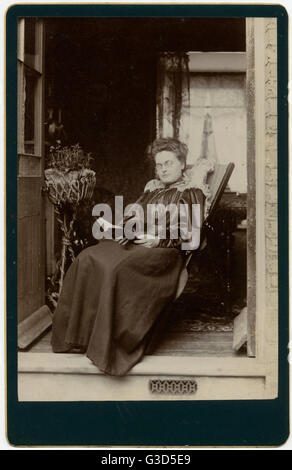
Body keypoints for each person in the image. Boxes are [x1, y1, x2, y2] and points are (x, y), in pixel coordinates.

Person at [51, 138, 207, 376]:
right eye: (159, 165)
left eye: (168, 163)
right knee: (88, 256)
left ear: (182, 163)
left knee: (116, 268)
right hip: (137, 243)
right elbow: (133, 215)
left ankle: (111, 344)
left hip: (164, 254)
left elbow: (192, 232)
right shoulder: (152, 188)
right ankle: (80, 337)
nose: (163, 169)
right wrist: (127, 229)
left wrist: (159, 239)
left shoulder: (192, 192)